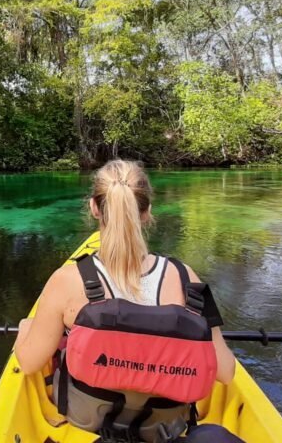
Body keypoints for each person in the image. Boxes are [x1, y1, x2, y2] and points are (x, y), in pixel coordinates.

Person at [13, 159, 241, 443]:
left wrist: (25, 329)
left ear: (95, 208)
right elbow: (226, 372)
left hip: (88, 426)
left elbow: (30, 362)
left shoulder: (67, 281)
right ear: (146, 213)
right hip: (164, 430)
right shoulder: (185, 278)